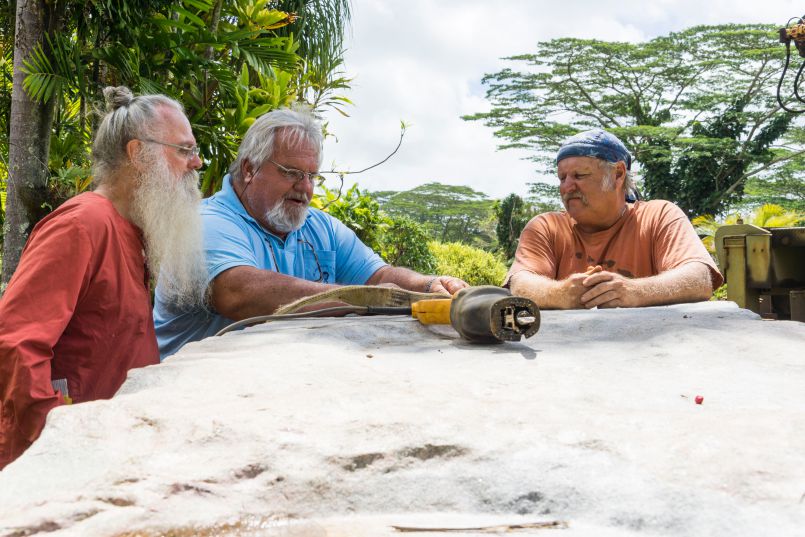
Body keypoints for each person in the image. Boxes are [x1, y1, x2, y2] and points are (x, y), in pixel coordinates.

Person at [153, 105, 468, 358]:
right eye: (291, 173)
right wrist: (356, 300)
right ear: (249, 169)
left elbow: (376, 276)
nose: (304, 188)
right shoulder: (207, 222)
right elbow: (238, 292)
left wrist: (427, 286)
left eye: (312, 176)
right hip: (193, 392)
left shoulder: (321, 227)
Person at [0, 87, 208, 469]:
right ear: (137, 154)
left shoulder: (135, 229)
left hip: (109, 453)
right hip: (55, 465)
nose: (196, 163)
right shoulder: (83, 224)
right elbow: (16, 344)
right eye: (184, 150)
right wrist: (59, 440)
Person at [505, 129, 722, 309]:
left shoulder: (660, 216)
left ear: (618, 174)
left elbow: (699, 278)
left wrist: (633, 292)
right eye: (562, 178)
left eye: (580, 176)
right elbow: (520, 283)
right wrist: (561, 294)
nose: (567, 187)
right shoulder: (546, 227)